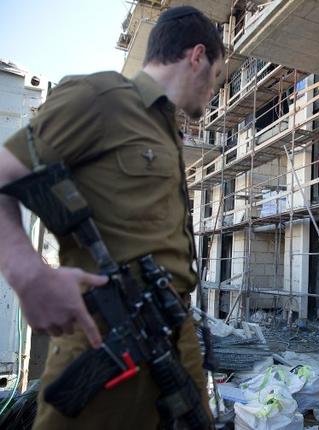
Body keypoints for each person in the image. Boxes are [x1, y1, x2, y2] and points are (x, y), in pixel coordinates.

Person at [0, 6, 224, 429]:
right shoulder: (101, 97)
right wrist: (28, 273)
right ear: (196, 56)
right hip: (107, 342)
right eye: (216, 76)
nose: (213, 89)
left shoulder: (166, 132)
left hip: (174, 337)